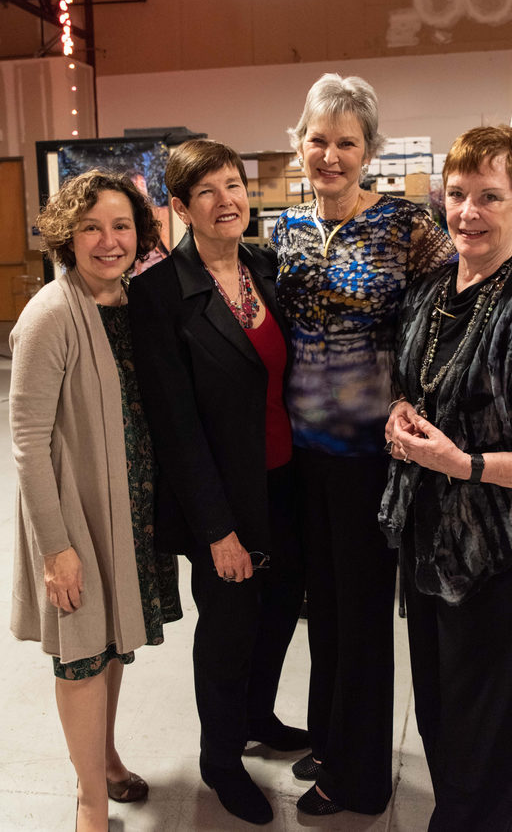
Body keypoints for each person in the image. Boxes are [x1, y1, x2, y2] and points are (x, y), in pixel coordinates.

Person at [271, 73, 512, 816]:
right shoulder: (283, 227)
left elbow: (493, 270)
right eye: (319, 139)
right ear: (300, 144)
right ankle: (338, 738)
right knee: (330, 613)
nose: (331, 154)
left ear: (370, 150)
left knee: (366, 621)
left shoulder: (408, 226)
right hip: (310, 452)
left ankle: (362, 769)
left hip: (379, 460)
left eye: (347, 142)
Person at [379, 124, 512, 831]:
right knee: (448, 723)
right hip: (439, 549)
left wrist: (465, 463)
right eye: (459, 193)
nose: (468, 211)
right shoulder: (434, 287)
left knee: (500, 750)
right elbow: (422, 381)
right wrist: (404, 413)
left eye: (490, 197)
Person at [128, 139, 307, 826]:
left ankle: (259, 714)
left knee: (281, 608)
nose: (226, 199)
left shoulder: (265, 264)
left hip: (285, 478)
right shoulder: (159, 293)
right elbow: (174, 425)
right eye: (207, 191)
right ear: (180, 207)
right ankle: (221, 756)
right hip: (224, 498)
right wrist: (217, 530)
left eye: (233, 184)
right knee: (230, 627)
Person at [9, 170, 182, 832]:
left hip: (126, 511)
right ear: (66, 236)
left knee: (111, 646)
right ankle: (87, 799)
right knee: (82, 655)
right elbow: (25, 440)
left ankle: (106, 759)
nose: (109, 241)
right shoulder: (51, 314)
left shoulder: (132, 303)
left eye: (121, 226)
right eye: (91, 227)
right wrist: (57, 548)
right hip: (75, 519)